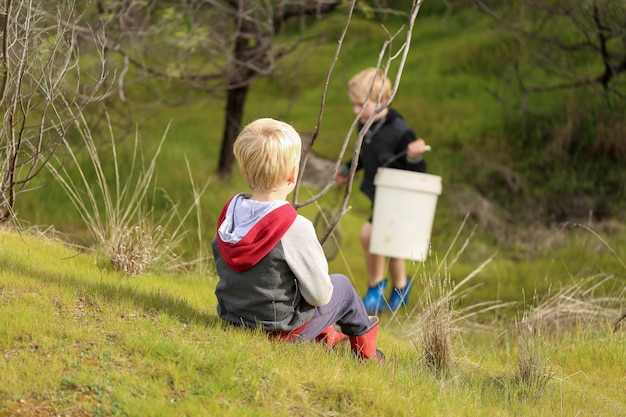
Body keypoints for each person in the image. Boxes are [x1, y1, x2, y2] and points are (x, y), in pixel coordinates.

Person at [212, 117, 384, 363]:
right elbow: (320, 296)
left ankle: (326, 336)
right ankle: (367, 355)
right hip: (280, 331)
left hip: (233, 318)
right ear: (293, 175)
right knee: (342, 288)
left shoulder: (230, 214)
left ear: (243, 168)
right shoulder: (294, 227)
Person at [335, 67, 429, 314]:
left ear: (383, 101)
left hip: (400, 197)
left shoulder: (399, 130)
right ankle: (400, 286)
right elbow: (365, 156)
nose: (355, 111)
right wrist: (347, 169)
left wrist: (413, 157)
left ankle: (376, 287)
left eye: (361, 105)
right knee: (390, 244)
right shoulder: (366, 125)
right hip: (381, 196)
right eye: (354, 104)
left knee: (371, 235)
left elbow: (420, 171)